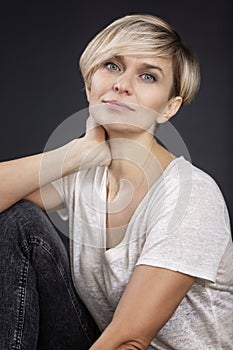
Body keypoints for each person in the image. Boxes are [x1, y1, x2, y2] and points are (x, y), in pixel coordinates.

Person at [0, 13, 232, 350]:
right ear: (89, 82)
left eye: (148, 76)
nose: (122, 84)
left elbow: (129, 339)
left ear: (168, 108)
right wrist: (77, 153)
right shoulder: (84, 176)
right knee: (17, 221)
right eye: (112, 65)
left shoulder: (191, 195)